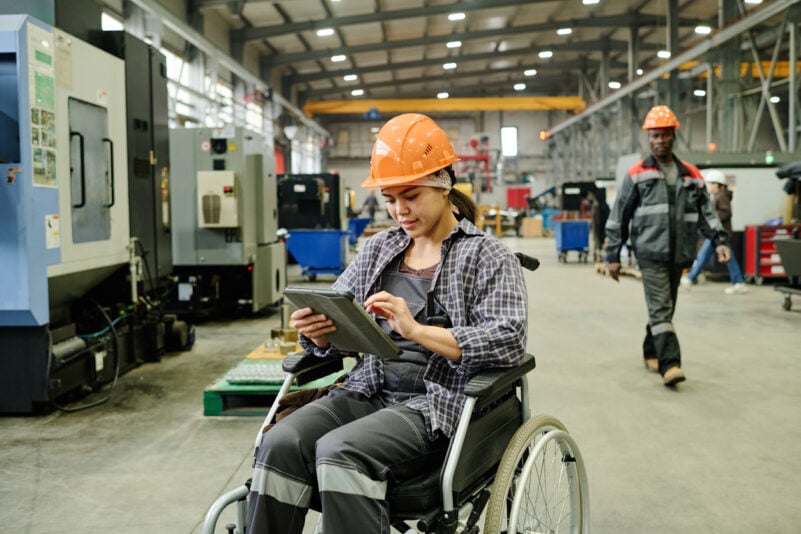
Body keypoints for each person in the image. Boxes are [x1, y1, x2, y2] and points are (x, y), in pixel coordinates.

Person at [246, 113, 528, 533]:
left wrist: (416, 331)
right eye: (390, 199)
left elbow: (507, 338)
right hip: (369, 388)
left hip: (436, 403)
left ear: (444, 183)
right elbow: (340, 312)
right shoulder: (380, 248)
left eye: (411, 195)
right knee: (280, 443)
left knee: (340, 453)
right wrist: (318, 333)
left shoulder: (487, 256)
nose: (400, 210)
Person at [604, 105, 731, 386]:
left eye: (665, 135)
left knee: (665, 309)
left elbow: (707, 214)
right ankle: (670, 364)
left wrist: (720, 242)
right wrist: (612, 255)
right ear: (649, 138)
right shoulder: (637, 174)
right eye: (655, 136)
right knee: (661, 308)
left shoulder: (692, 175)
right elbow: (619, 216)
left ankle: (651, 351)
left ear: (674, 136)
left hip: (680, 254)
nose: (660, 140)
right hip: (649, 254)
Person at [681, 169, 748, 294]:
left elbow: (726, 212)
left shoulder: (722, 196)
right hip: (718, 232)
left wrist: (711, 218)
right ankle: (738, 282)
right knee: (725, 257)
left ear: (717, 184)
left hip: (720, 233)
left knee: (705, 256)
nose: (708, 186)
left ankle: (690, 278)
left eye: (710, 184)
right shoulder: (718, 196)